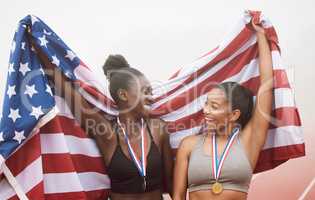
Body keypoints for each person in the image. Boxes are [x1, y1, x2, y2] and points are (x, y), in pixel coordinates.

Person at [31, 42, 174, 200]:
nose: (151, 97)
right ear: (124, 95)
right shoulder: (107, 133)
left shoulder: (158, 129)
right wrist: (38, 46)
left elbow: (172, 182)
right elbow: (68, 92)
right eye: (146, 92)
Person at [173, 21, 273, 200]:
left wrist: (260, 35)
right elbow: (178, 197)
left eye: (214, 106)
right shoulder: (188, 145)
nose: (206, 111)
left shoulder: (249, 140)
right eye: (206, 104)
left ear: (234, 114)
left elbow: (266, 86)